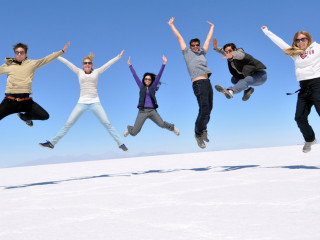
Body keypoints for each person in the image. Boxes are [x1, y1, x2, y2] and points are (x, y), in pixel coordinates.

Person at [39, 50, 128, 152]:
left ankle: (121, 144)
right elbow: (67, 63)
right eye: (85, 63)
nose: (87, 64)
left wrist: (118, 57)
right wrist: (56, 56)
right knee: (68, 124)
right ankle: (52, 143)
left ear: (91, 64)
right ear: (83, 65)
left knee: (107, 124)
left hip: (95, 102)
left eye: (89, 63)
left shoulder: (97, 72)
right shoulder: (78, 72)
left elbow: (108, 64)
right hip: (81, 103)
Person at [262, 26, 319, 153]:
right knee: (299, 118)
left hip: (317, 85)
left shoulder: (317, 48)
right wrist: (267, 32)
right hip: (303, 88)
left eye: (303, 39)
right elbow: (280, 43)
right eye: (297, 40)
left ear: (308, 39)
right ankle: (310, 139)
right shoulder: (295, 53)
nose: (300, 42)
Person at [168, 17, 214, 149]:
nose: (195, 47)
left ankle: (203, 129)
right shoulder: (187, 53)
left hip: (207, 82)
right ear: (190, 46)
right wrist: (172, 25)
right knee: (204, 108)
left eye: (196, 45)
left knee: (209, 109)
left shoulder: (202, 53)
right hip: (198, 83)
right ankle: (198, 134)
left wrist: (212, 28)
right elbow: (179, 38)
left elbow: (208, 40)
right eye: (192, 45)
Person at [0, 42, 70, 126]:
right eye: (17, 52)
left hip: (25, 101)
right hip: (10, 101)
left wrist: (61, 51)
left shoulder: (32, 64)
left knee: (44, 116)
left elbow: (46, 60)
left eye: (21, 52)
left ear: (25, 54)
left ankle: (25, 117)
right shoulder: (8, 65)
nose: (19, 54)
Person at [123, 55, 180, 137]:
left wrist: (164, 63)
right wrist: (130, 65)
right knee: (134, 132)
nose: (147, 80)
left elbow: (159, 75)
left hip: (152, 111)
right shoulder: (141, 86)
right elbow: (134, 75)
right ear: (144, 80)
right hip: (142, 111)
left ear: (151, 80)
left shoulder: (153, 87)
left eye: (149, 79)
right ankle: (129, 128)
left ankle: (173, 128)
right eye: (146, 79)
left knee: (161, 124)